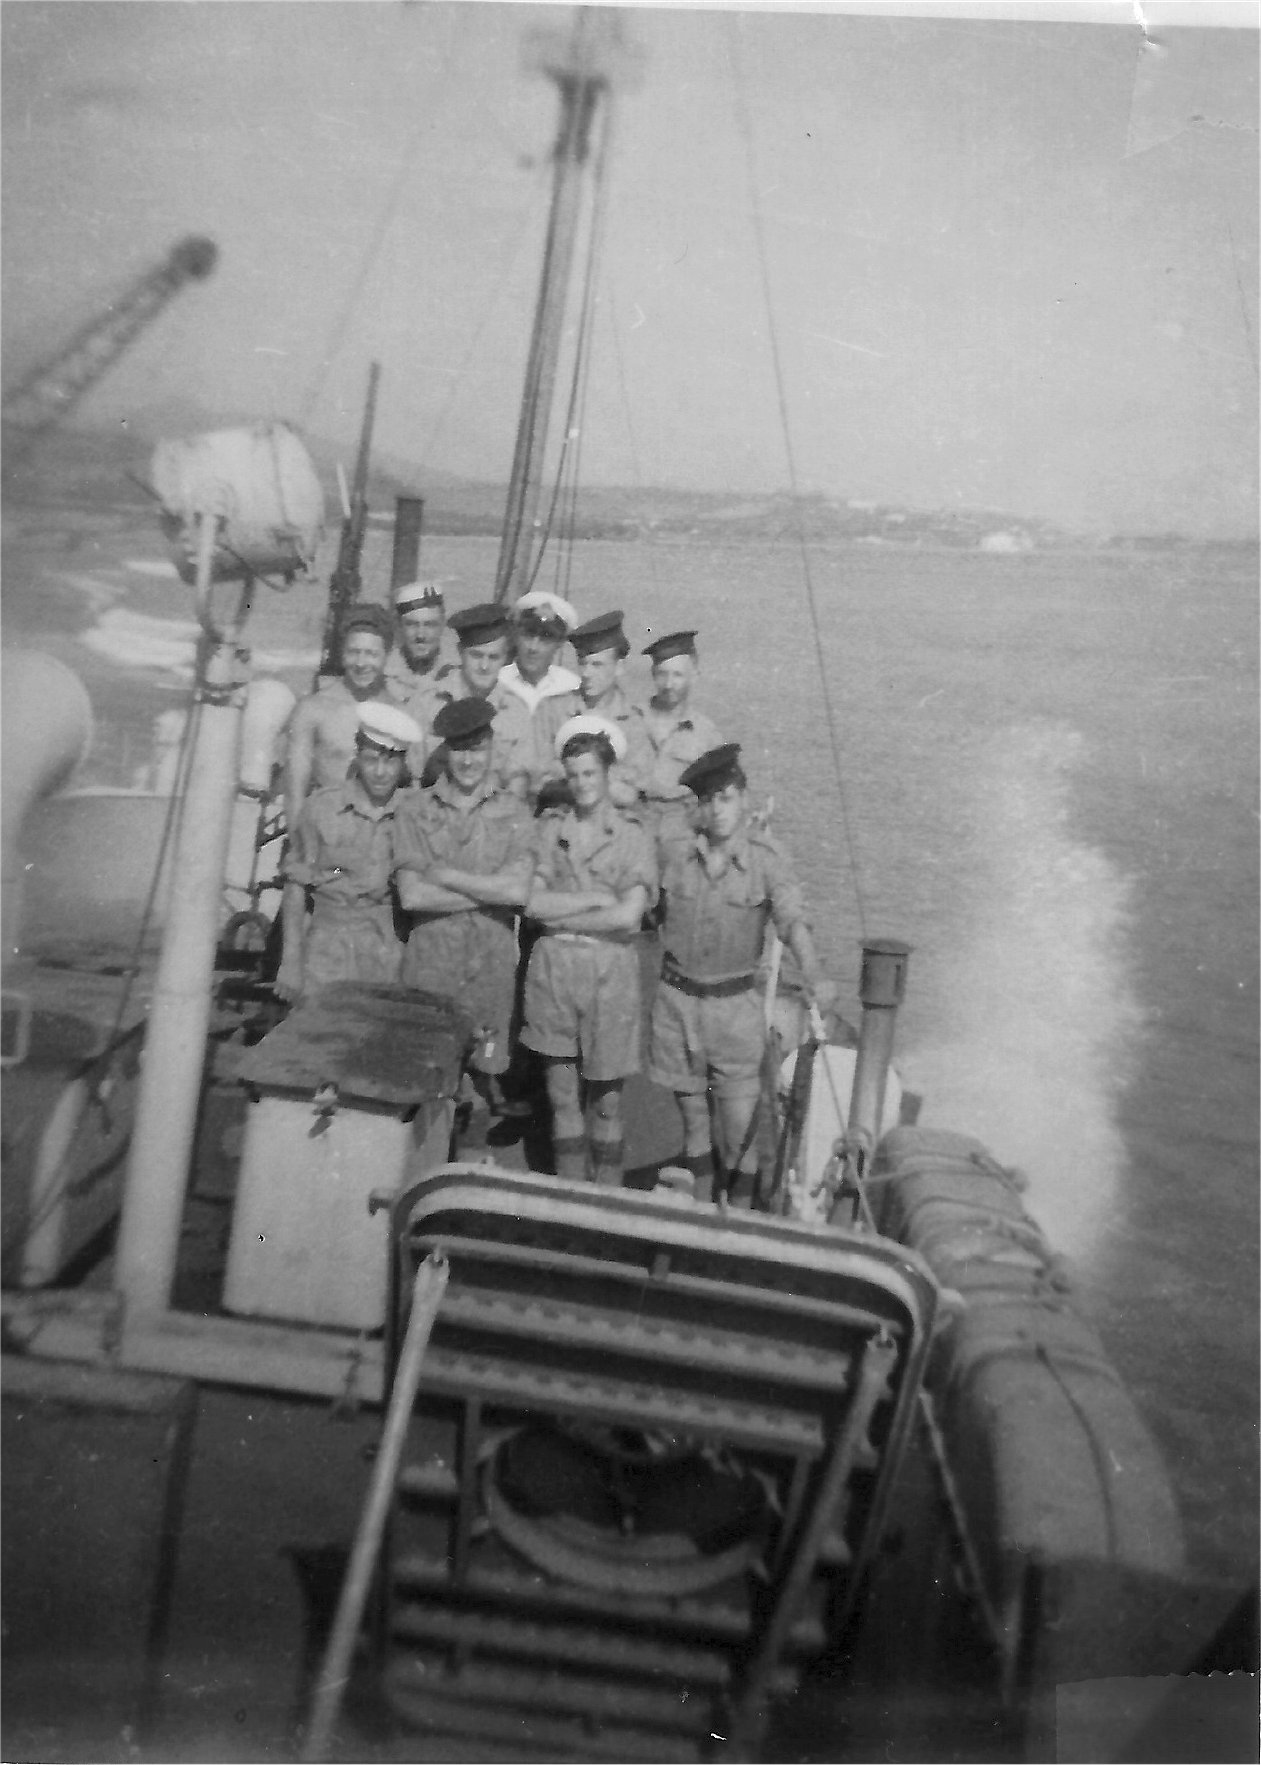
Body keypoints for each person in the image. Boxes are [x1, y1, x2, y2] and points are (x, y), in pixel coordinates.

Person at [646, 743, 837, 1208]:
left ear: (744, 799)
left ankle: (741, 1218)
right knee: (694, 1125)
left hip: (733, 1013)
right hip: (676, 1006)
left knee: (738, 1135)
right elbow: (648, 907)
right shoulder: (675, 852)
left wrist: (814, 972)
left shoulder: (766, 859)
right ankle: (700, 1214)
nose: (718, 809)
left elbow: (792, 919)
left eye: (726, 798)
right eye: (708, 800)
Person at [520, 716, 657, 1186]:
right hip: (554, 972)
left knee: (607, 1103)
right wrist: (596, 900)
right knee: (561, 1096)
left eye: (590, 773)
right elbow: (532, 904)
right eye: (573, 775)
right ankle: (568, 1194)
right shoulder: (550, 830)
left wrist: (561, 915)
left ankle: (606, 1199)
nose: (581, 784)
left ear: (608, 773)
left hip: (610, 976)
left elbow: (629, 917)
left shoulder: (633, 835)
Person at [393, 698, 536, 1117]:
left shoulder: (515, 812)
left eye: (477, 749)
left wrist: (447, 876)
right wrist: (491, 891)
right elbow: (413, 896)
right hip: (431, 971)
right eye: (459, 750)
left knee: (480, 1085)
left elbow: (519, 892)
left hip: (489, 973)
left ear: (492, 749)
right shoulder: (415, 810)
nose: (468, 761)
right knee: (423, 1085)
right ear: (445, 752)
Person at [275, 701, 421, 1002]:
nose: (380, 772)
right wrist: (290, 961)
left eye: (391, 762)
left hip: (387, 948)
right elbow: (296, 885)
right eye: (371, 760)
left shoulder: (415, 812)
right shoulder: (322, 807)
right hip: (326, 947)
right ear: (357, 754)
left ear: (404, 762)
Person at [283, 603, 404, 833]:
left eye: (371, 654)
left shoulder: (400, 713)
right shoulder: (313, 709)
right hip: (327, 830)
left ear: (387, 654)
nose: (361, 663)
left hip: (380, 833)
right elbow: (294, 791)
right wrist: (299, 845)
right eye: (353, 652)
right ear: (342, 652)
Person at [529, 611, 650, 809]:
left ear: (619, 667)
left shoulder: (633, 722)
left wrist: (567, 776)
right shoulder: (551, 711)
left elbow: (635, 791)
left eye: (597, 665)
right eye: (583, 663)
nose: (586, 673)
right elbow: (536, 779)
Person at [424, 603, 534, 797]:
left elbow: (518, 783)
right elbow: (412, 775)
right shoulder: (429, 700)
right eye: (476, 655)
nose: (484, 666)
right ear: (460, 652)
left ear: (505, 658)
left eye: (493, 657)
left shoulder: (515, 710)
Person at [633, 630, 724, 838]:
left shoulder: (707, 735)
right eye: (662, 674)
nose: (668, 684)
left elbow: (718, 795)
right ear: (652, 674)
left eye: (678, 675)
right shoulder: (631, 719)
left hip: (680, 832)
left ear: (694, 676)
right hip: (633, 825)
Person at [384, 579, 459, 734]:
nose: (421, 635)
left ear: (442, 625)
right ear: (398, 625)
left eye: (429, 624)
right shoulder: (382, 676)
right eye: (412, 624)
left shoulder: (456, 676)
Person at [497, 590, 581, 713]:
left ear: (559, 643)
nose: (533, 647)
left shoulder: (571, 688)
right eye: (528, 635)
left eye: (545, 639)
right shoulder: (498, 682)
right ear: (516, 635)